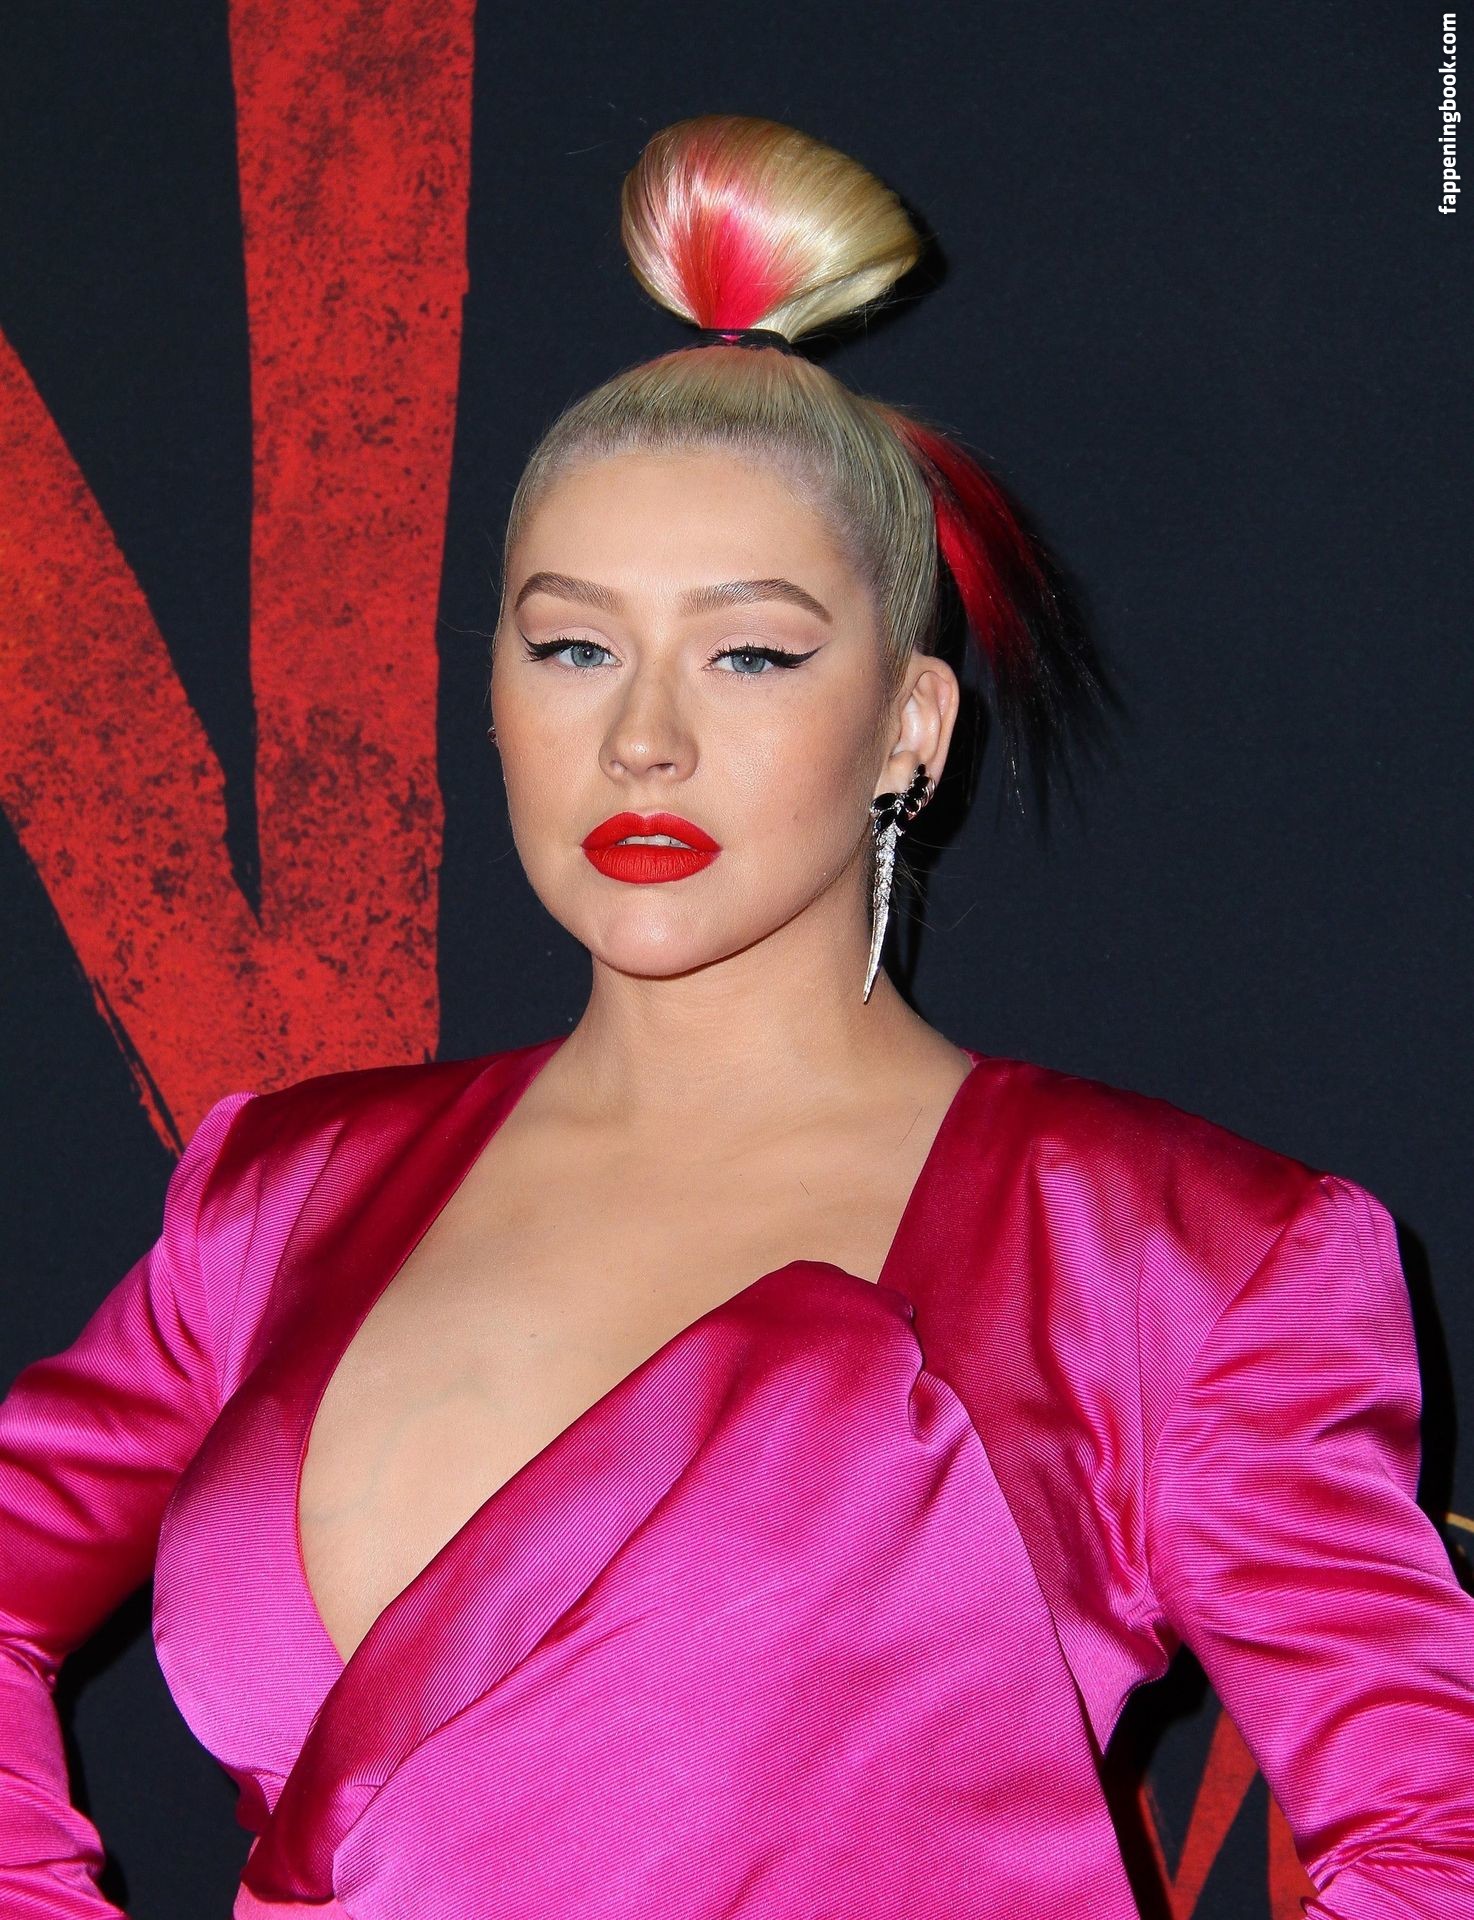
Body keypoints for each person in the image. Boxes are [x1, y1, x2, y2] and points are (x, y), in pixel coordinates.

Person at [2, 111, 1471, 1920]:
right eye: (573, 646)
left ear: (909, 727)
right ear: (494, 692)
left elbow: (1436, 1842)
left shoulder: (1177, 1259)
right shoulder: (280, 1195)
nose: (644, 738)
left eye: (751, 652)